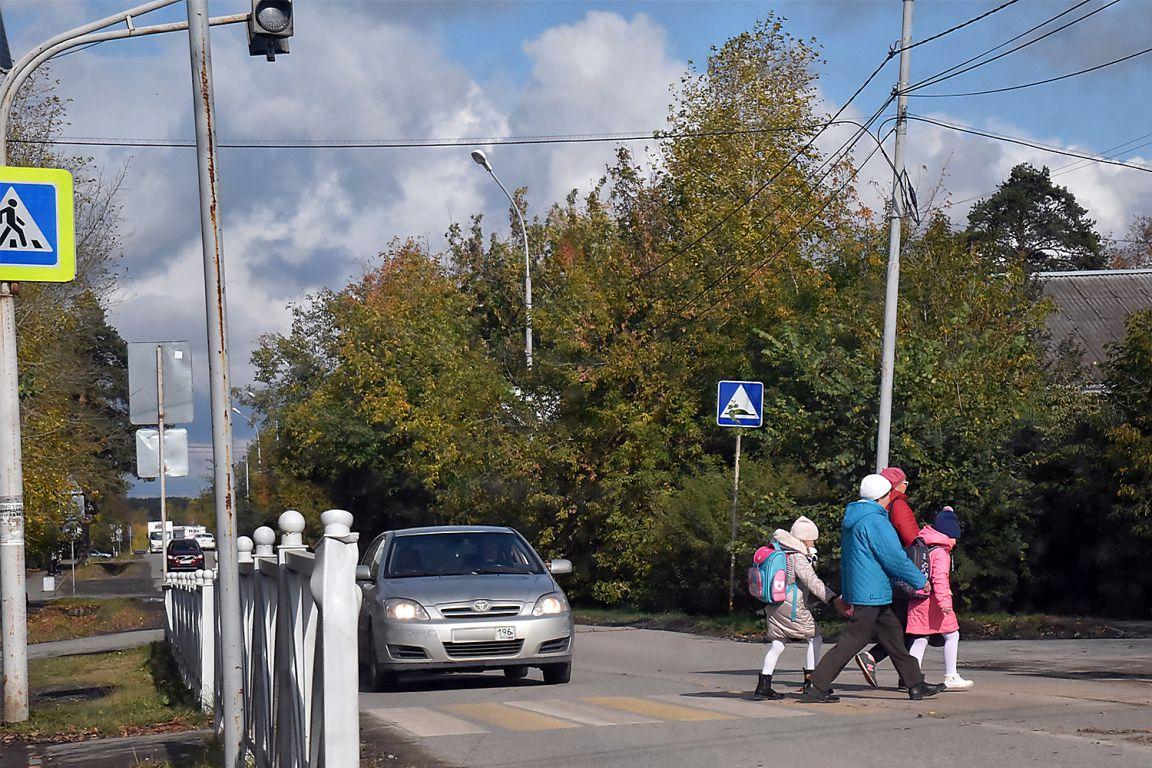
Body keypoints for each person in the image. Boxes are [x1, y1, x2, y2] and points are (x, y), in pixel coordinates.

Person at [800, 474, 946, 703]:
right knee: (853, 640)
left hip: (867, 590)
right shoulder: (875, 521)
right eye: (889, 494)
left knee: (894, 636)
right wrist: (919, 580)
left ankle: (915, 684)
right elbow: (894, 557)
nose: (890, 498)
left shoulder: (855, 518)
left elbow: (850, 560)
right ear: (882, 497)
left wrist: (848, 593)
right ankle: (816, 686)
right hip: (872, 591)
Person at [754, 516, 850, 700]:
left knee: (778, 643)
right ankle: (812, 683)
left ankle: (763, 686)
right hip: (792, 607)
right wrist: (832, 598)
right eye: (813, 539)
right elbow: (812, 581)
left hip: (776, 604)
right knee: (815, 637)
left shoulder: (783, 551)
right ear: (805, 539)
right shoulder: (798, 557)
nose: (814, 542)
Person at [855, 465, 921, 687]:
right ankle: (876, 659)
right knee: (906, 626)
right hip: (900, 574)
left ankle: (910, 679)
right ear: (894, 485)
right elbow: (910, 537)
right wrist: (920, 576)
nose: (906, 485)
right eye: (904, 481)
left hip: (885, 576)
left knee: (895, 625)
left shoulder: (872, 511)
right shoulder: (899, 505)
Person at [906, 506, 974, 690]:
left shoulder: (924, 546)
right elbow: (940, 579)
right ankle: (951, 675)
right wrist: (945, 603)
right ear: (949, 534)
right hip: (935, 602)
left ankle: (910, 676)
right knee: (952, 635)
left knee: (920, 639)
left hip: (917, 600)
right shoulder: (941, 553)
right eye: (955, 536)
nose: (956, 541)